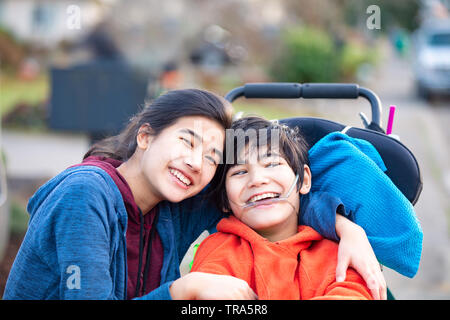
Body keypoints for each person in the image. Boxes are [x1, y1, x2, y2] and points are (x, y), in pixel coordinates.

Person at [3, 90, 384, 300]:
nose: (195, 163)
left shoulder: (177, 204)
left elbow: (266, 198)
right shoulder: (86, 194)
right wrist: (181, 290)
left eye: (213, 157)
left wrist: (345, 226)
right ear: (145, 136)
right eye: (187, 141)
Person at [190, 116, 418, 299]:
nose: (257, 179)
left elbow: (352, 292)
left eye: (272, 163)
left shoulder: (338, 252)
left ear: (304, 180)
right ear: (223, 201)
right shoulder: (218, 250)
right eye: (240, 172)